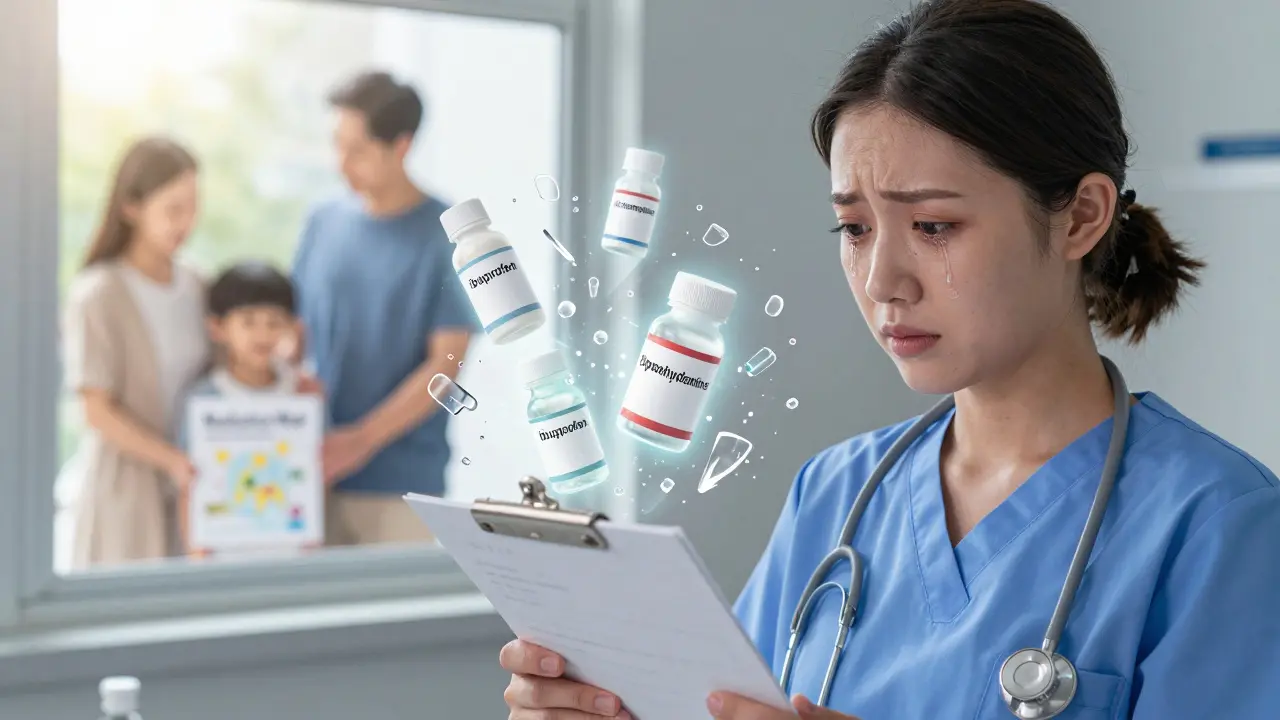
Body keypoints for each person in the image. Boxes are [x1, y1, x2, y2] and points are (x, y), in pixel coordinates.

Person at [497, 1, 1280, 718]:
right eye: (856, 229)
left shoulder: (1221, 526)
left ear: (1080, 218)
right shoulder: (835, 494)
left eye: (934, 225)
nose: (882, 283)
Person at [291, 71, 476, 547]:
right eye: (337, 145)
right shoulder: (321, 222)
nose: (340, 164)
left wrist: (359, 441)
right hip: (310, 477)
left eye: (357, 151)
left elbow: (447, 365)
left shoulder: (447, 235)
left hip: (400, 489)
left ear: (400, 146)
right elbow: (297, 334)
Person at [63, 137, 211, 569]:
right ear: (131, 208)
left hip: (191, 492)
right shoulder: (99, 294)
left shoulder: (196, 284)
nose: (186, 221)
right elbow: (97, 411)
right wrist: (172, 461)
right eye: (173, 209)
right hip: (124, 492)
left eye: (193, 206)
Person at [177, 261, 322, 553]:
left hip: (289, 552)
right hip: (223, 554)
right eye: (248, 322)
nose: (262, 334)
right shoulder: (204, 398)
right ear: (218, 327)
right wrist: (197, 554)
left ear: (290, 326)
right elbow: (189, 483)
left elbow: (315, 472)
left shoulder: (303, 394)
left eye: (273, 322)